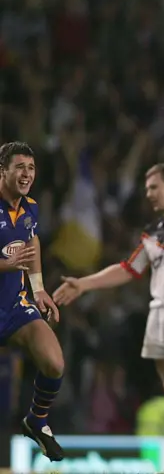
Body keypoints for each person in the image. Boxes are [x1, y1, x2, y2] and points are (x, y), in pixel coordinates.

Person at [53, 163, 164, 474]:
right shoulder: (153, 232)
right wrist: (84, 284)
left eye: (154, 187)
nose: (148, 193)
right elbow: (129, 268)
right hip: (159, 314)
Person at [0, 141, 64, 461]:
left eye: (31, 168)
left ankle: (36, 422)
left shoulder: (30, 208)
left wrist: (38, 289)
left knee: (54, 363)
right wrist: (5, 265)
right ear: (3, 171)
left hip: (13, 306)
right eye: (20, 167)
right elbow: (13, 259)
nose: (27, 174)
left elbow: (32, 241)